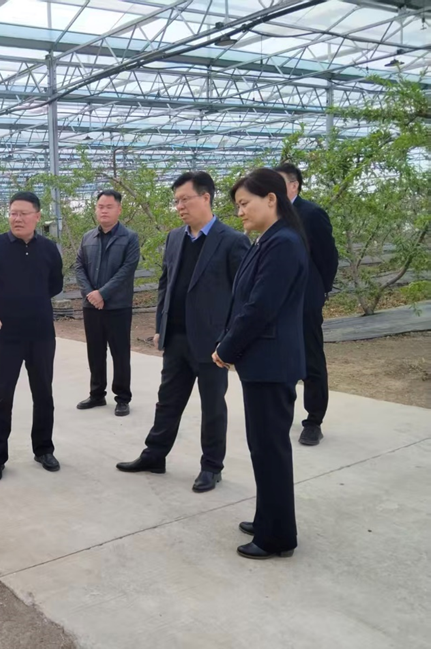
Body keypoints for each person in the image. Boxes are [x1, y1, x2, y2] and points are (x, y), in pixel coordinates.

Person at [116, 171, 250, 493]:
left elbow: (243, 295)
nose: (179, 206)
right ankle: (155, 455)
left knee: (212, 407)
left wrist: (229, 340)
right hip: (176, 338)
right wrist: (160, 327)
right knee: (167, 401)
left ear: (205, 197)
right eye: (176, 201)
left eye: (185, 199)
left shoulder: (232, 240)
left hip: (212, 343)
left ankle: (211, 466)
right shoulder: (175, 238)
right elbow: (166, 284)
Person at [213, 168, 308, 560]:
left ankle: (277, 536)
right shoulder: (269, 239)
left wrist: (227, 348)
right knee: (263, 447)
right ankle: (268, 517)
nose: (240, 212)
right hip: (264, 361)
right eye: (237, 206)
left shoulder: (282, 243)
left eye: (244, 203)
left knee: (270, 449)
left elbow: (260, 307)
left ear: (271, 199)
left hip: (272, 362)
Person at [0, 191, 64, 483]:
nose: (17, 218)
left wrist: (31, 302)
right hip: (4, 335)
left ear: (37, 216)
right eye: (13, 213)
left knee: (44, 394)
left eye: (23, 213)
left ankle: (44, 449)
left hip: (41, 334)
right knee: (0, 397)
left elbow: (55, 285)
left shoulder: (48, 249)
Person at [274, 163, 339, 447]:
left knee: (311, 358)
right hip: (277, 300)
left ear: (294, 185)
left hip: (305, 300)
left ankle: (313, 421)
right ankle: (281, 412)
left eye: (278, 183)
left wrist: (318, 289)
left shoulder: (311, 214)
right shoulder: (273, 215)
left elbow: (328, 258)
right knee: (280, 358)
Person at [74, 190, 140, 417]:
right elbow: (79, 267)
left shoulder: (129, 237)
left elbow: (127, 269)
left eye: (109, 206)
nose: (104, 210)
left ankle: (122, 398)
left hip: (118, 306)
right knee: (95, 351)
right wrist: (90, 294)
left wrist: (103, 293)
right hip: (91, 306)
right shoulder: (87, 237)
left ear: (119, 209)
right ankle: (96, 394)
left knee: (120, 353)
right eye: (100, 206)